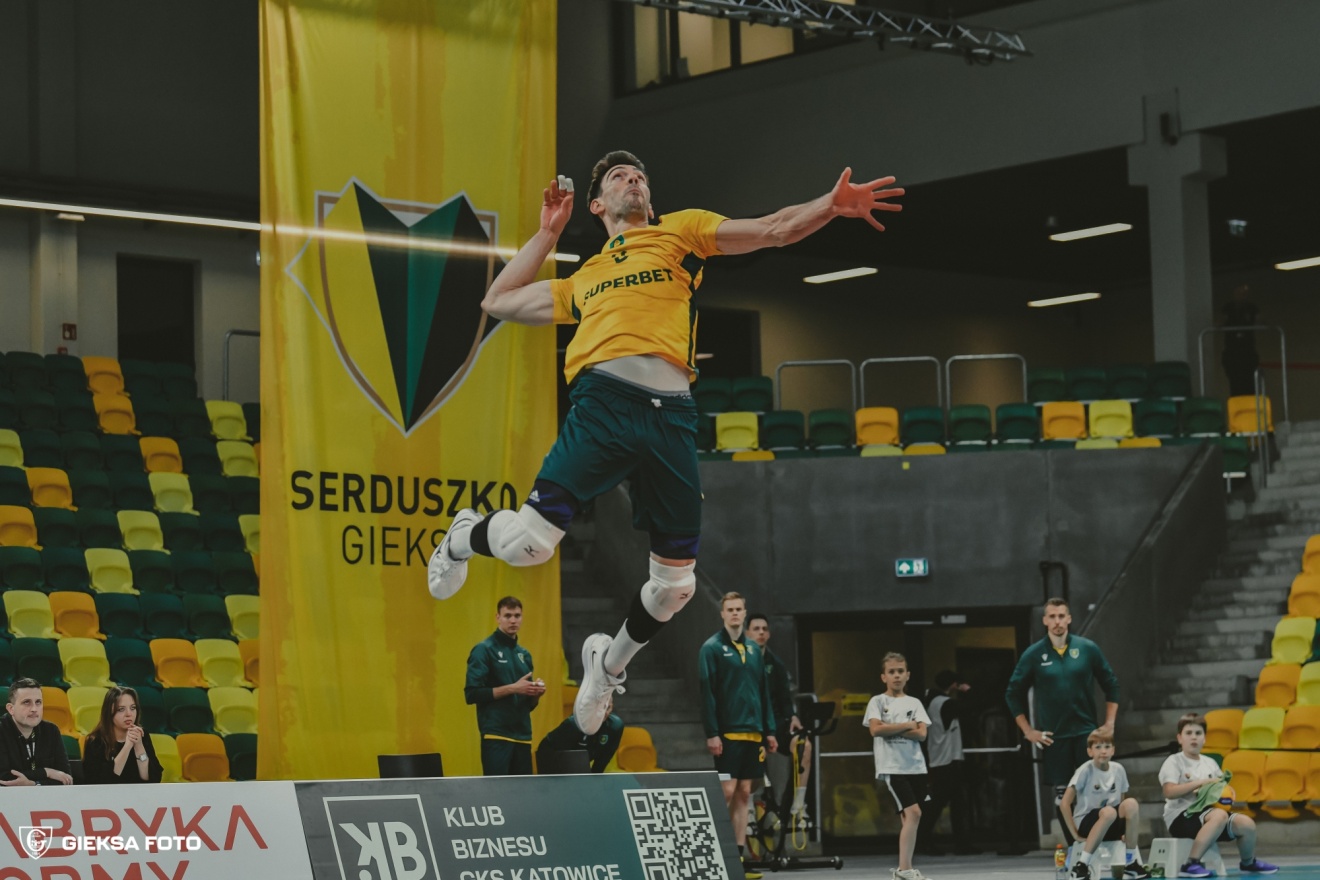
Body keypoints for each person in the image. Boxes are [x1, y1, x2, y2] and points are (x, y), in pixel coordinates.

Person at [428, 151, 904, 736]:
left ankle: (607, 667)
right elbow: (496, 301)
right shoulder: (582, 280)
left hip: (672, 416)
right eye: (619, 177)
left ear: (650, 200)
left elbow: (774, 229)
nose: (634, 180)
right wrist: (548, 234)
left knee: (676, 587)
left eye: (641, 177)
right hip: (603, 404)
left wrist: (829, 206)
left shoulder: (680, 233)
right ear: (597, 204)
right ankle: (463, 536)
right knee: (528, 546)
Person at [1005, 598, 1121, 797]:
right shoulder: (1033, 654)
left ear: (1069, 618)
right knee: (1063, 798)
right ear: (1045, 620)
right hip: (1055, 737)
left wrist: (1110, 723)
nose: (1057, 621)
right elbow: (1012, 693)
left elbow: (1111, 684)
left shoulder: (1087, 648)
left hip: (1086, 734)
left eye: (1061, 616)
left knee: (1095, 795)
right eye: (1052, 616)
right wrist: (1028, 731)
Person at [699, 592, 777, 877]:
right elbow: (707, 692)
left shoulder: (754, 649)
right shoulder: (711, 648)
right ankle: (715, 855)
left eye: (738, 609)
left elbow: (763, 692)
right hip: (727, 733)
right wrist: (712, 733)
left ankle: (738, 861)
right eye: (729, 609)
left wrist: (769, 730)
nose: (734, 613)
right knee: (727, 791)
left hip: (753, 733)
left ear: (744, 613)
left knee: (745, 793)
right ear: (722, 614)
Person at [1158, 714, 1277, 877]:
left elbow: (1221, 787)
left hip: (1211, 817)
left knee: (1246, 823)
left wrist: (1228, 790)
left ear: (1204, 738)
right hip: (1181, 816)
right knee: (1219, 815)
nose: (1194, 737)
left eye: (1198, 733)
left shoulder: (1210, 763)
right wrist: (1200, 783)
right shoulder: (1174, 761)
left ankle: (1248, 862)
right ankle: (1191, 864)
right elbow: (1169, 792)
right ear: (1179, 738)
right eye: (1189, 733)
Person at [864, 653, 931, 880]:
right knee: (914, 813)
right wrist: (906, 725)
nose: (896, 676)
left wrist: (891, 727)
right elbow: (876, 730)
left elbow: (921, 734)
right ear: (884, 677)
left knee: (909, 818)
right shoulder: (877, 701)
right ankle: (904, 871)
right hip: (893, 767)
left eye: (900, 671)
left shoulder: (915, 703)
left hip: (916, 766)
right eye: (891, 672)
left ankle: (906, 869)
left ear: (907, 675)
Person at [464, 596, 545, 776]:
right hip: (496, 735)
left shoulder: (524, 654)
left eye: (517, 616)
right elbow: (472, 694)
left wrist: (536, 694)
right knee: (497, 790)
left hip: (523, 736)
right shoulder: (484, 649)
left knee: (523, 791)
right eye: (508, 615)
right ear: (498, 617)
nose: (513, 620)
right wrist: (514, 688)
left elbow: (528, 706)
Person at [746, 612, 811, 819]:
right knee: (748, 749)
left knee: (804, 745)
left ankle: (798, 805)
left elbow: (785, 699)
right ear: (747, 633)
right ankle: (748, 806)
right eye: (756, 629)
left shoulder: (776, 664)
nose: (761, 633)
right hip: (750, 726)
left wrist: (793, 716)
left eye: (764, 629)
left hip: (776, 723)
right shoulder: (738, 662)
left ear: (769, 634)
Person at [1059, 731, 1147, 880]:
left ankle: (1131, 863)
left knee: (1131, 804)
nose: (1103, 751)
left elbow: (1121, 802)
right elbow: (1064, 803)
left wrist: (1124, 831)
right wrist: (1074, 834)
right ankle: (1081, 866)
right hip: (1087, 823)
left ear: (1113, 750)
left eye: (1107, 746)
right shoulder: (1084, 770)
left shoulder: (1118, 769)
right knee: (1109, 812)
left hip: (1110, 821)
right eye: (1098, 747)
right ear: (1090, 751)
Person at [918, 670, 975, 855]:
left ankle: (961, 843)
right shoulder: (945, 703)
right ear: (953, 684)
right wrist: (968, 691)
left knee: (954, 802)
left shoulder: (933, 702)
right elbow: (971, 707)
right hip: (946, 760)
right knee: (939, 804)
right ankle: (923, 841)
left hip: (941, 759)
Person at [82, 686, 163, 785]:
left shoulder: (142, 735)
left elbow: (153, 779)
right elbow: (102, 782)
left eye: (133, 708)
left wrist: (139, 746)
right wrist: (127, 746)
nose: (129, 714)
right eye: (121, 709)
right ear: (109, 712)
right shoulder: (96, 741)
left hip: (137, 793)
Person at [0, 678, 72, 786]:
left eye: (38, 702)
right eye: (26, 702)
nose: (34, 709)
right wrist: (47, 772)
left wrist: (34, 784)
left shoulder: (51, 731)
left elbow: (65, 778)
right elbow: (4, 777)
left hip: (46, 796)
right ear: (11, 709)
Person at [536, 713, 624, 773]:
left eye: (607, 707)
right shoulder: (573, 724)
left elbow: (604, 758)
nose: (603, 712)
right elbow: (545, 749)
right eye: (600, 707)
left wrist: (594, 779)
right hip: (555, 762)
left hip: (580, 765)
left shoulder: (615, 726)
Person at [1220, 284, 1259, 397]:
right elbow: (1219, 322)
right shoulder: (1228, 307)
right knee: (1235, 382)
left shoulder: (1251, 307)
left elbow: (1261, 319)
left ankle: (1249, 403)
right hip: (1232, 351)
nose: (1242, 296)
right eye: (1239, 293)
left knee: (1249, 381)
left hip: (1248, 351)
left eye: (1244, 294)